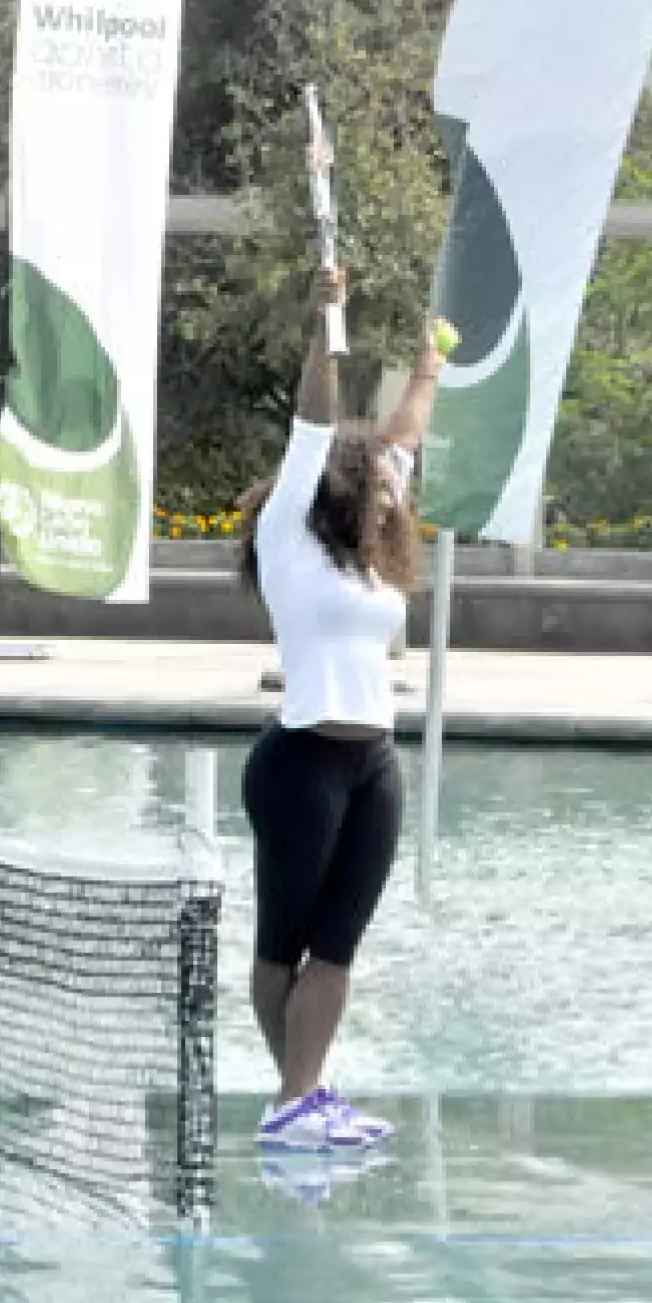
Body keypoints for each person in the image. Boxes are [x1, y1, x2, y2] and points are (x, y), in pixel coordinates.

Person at [237, 266, 445, 1154]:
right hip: (300, 768)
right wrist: (329, 320)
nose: (395, 487)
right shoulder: (290, 532)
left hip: (374, 767)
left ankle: (301, 1097)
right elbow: (315, 414)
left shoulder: (373, 556)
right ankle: (298, 1100)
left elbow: (405, 429)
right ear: (341, 484)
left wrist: (431, 361)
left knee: (339, 947)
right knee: (283, 946)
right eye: (382, 481)